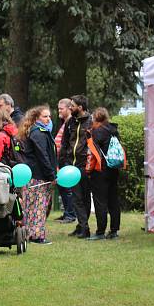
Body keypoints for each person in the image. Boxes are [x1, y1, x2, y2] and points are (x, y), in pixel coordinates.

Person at [18, 105, 56, 245]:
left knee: (30, 206)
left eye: (49, 116)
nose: (48, 119)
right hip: (38, 176)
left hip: (33, 175)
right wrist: (51, 175)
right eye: (45, 116)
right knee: (39, 206)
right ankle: (37, 236)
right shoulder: (39, 133)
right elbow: (43, 156)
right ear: (36, 118)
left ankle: (27, 233)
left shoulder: (35, 131)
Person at [59, 95, 94, 238]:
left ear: (80, 107)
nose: (70, 107)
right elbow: (65, 143)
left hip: (85, 165)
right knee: (77, 197)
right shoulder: (70, 122)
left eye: (72, 105)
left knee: (84, 198)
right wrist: (63, 161)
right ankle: (83, 228)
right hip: (71, 166)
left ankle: (82, 226)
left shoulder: (91, 122)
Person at [86, 107, 122, 240]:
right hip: (114, 169)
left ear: (95, 118)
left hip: (100, 170)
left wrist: (88, 170)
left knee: (100, 201)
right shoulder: (113, 130)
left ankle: (100, 231)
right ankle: (114, 230)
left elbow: (92, 153)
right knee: (113, 200)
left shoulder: (97, 132)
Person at [53, 98, 76, 223]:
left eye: (61, 109)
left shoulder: (70, 122)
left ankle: (70, 215)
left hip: (66, 160)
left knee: (67, 188)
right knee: (62, 187)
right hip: (61, 160)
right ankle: (67, 212)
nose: (59, 111)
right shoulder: (65, 122)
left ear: (68, 108)